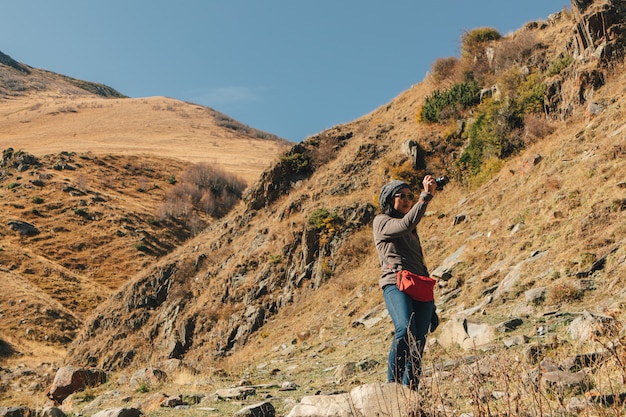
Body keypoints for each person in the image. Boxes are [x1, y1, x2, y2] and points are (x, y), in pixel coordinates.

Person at [373, 176, 438, 390]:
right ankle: (393, 385)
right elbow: (405, 223)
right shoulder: (381, 221)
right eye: (402, 196)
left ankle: (410, 391)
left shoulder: (412, 231)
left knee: (418, 341)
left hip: (419, 285)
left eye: (410, 196)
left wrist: (433, 307)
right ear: (389, 200)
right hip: (396, 283)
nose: (408, 200)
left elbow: (420, 263)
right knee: (405, 328)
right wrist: (425, 197)